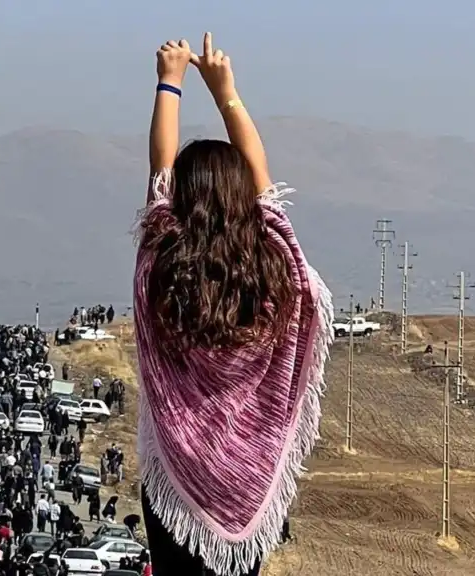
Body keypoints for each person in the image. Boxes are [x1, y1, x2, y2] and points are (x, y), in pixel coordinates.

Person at [134, 33, 333, 576]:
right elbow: (267, 191)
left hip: (174, 470)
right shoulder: (277, 268)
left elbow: (159, 173)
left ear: (182, 200)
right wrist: (226, 93)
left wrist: (169, 81)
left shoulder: (161, 263)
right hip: (251, 477)